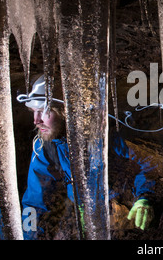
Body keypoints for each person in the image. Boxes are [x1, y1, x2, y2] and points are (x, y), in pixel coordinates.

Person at [18, 74, 155, 239]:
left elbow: (148, 161)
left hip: (127, 210)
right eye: (34, 112)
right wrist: (29, 235)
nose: (36, 120)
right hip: (87, 213)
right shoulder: (45, 147)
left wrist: (145, 198)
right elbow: (33, 202)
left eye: (43, 112)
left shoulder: (104, 135)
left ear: (63, 111)